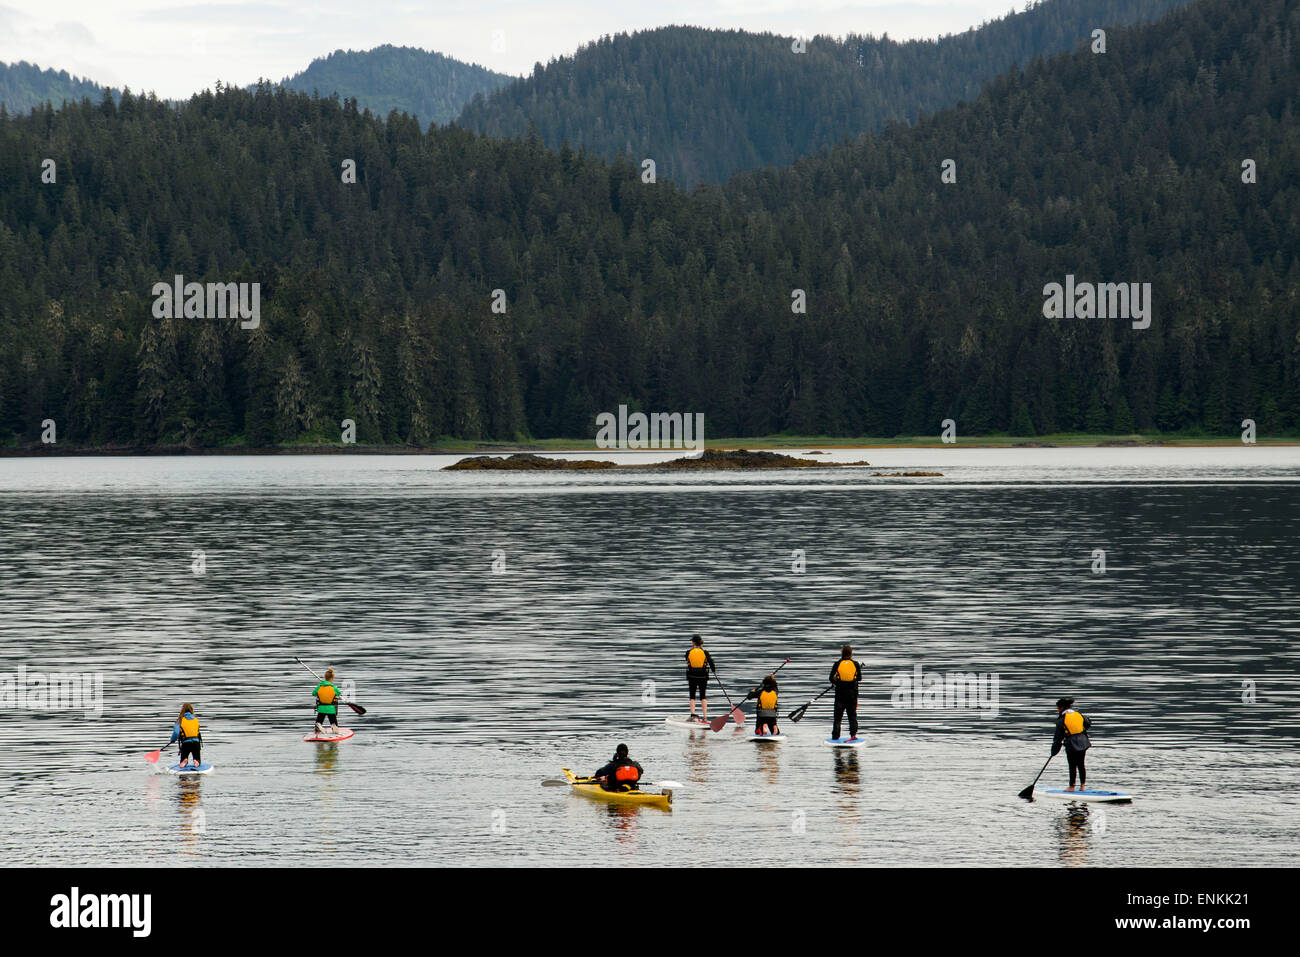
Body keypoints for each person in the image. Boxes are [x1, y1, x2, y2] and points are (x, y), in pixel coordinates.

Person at [1051, 697, 1092, 790]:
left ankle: (1072, 786)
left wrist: (1054, 751)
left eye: (1057, 708)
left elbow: (1058, 738)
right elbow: (1088, 723)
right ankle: (1082, 786)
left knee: (1072, 765)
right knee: (1081, 764)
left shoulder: (1062, 719)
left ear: (1061, 708)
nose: (1057, 710)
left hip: (1071, 744)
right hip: (1083, 742)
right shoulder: (1079, 714)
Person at [829, 645, 863, 741]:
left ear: (842, 653)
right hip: (852, 695)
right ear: (851, 654)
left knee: (837, 717)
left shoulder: (837, 664)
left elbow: (831, 678)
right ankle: (853, 735)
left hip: (840, 694)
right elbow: (860, 678)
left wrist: (837, 681)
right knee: (852, 716)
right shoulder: (856, 664)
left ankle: (835, 737)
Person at [684, 634, 716, 724]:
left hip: (692, 677)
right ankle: (705, 717)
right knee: (703, 696)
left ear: (693, 643)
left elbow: (687, 660)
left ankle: (693, 716)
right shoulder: (705, 652)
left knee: (692, 696)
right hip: (703, 677)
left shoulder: (688, 652)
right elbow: (711, 663)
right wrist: (713, 670)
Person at [168, 703, 202, 768]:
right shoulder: (195, 719)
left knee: (183, 759)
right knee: (197, 758)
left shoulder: (180, 720)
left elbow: (176, 732)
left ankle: (184, 761)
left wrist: (173, 740)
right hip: (196, 742)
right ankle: (196, 761)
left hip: (186, 743)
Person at [314, 668, 344, 736]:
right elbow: (339, 693)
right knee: (334, 723)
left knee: (319, 721)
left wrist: (320, 686)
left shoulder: (319, 687)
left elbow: (313, 693)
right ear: (332, 679)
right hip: (331, 709)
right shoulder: (334, 688)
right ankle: (334, 727)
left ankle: (318, 727)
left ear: (325, 678)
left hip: (321, 708)